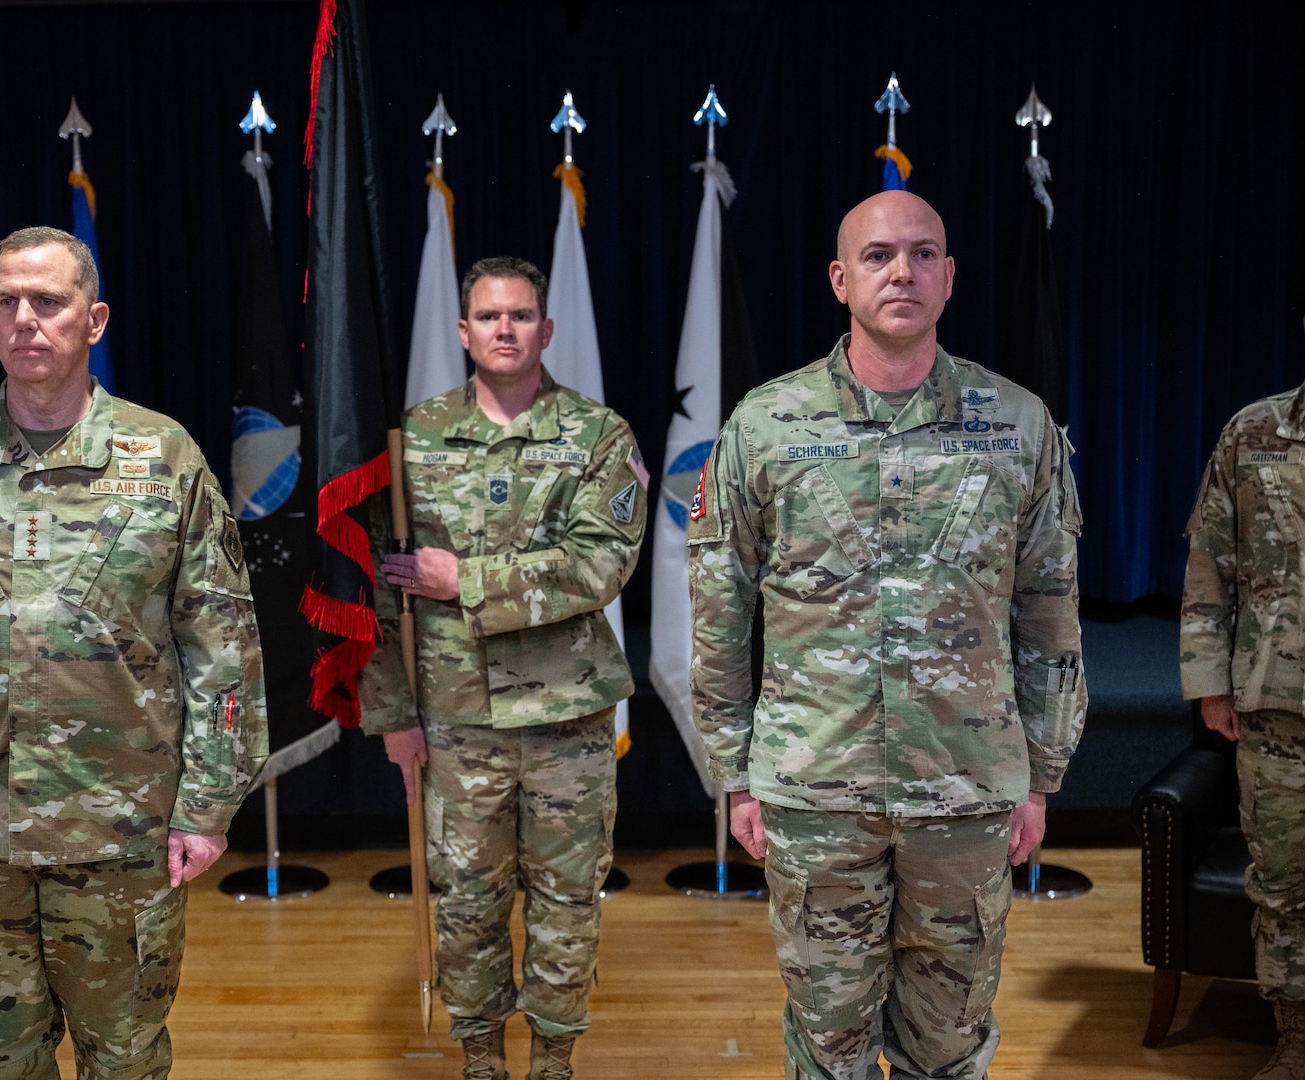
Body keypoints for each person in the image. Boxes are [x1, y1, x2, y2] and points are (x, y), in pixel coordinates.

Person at [0, 226, 267, 1080]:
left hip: (121, 829)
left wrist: (206, 805)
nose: (25, 320)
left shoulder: (165, 459)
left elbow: (223, 650)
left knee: (125, 1058)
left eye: (49, 301)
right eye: (7, 301)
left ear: (95, 318)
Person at [688, 190, 1086, 1080]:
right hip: (812, 788)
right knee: (827, 1044)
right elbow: (718, 613)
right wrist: (734, 775)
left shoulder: (1016, 426)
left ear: (948, 277)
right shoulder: (764, 426)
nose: (900, 271)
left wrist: (1040, 775)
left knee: (947, 1046)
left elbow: (1048, 608)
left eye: (921, 254)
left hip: (968, 789)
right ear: (840, 279)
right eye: (876, 256)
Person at [360, 256, 647, 1080]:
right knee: (468, 905)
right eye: (488, 317)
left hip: (567, 721)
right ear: (463, 331)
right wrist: (394, 718)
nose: (505, 330)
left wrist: (469, 581)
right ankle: (481, 1060)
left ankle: (553, 1061)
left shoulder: (599, 436)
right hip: (454, 718)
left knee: (565, 904)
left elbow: (600, 566)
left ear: (545, 329)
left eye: (520, 316)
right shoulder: (408, 440)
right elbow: (382, 589)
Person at [1180, 320, 1305, 1080]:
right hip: (1276, 705)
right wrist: (1208, 683)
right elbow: (1208, 564)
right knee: (1284, 881)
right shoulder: (1254, 432)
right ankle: (1294, 1039)